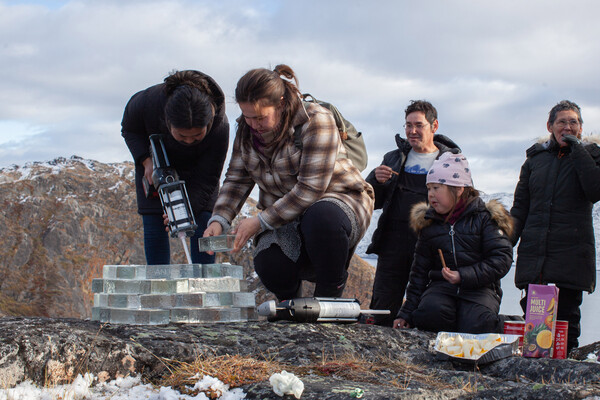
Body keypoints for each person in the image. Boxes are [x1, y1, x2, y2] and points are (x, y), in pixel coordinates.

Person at [204, 64, 374, 300]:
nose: (253, 125)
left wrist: (261, 221)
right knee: (269, 262)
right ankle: (293, 307)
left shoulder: (316, 120)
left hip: (338, 202)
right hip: (285, 214)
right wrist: (220, 219)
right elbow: (236, 179)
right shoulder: (245, 130)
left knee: (321, 218)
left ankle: (329, 300)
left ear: (281, 103)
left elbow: (310, 189)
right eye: (247, 116)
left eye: (260, 117)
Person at [510, 100, 600, 353]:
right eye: (562, 121)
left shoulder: (592, 156)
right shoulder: (534, 161)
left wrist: (577, 150)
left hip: (571, 258)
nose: (567, 127)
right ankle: (534, 376)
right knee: (535, 327)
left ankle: (566, 371)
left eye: (574, 122)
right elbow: (520, 208)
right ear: (550, 126)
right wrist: (504, 244)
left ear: (581, 128)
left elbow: (595, 190)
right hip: (535, 257)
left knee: (567, 324)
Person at [394, 152, 513, 333]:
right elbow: (419, 272)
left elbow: (501, 259)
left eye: (437, 188)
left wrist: (463, 276)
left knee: (477, 323)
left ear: (458, 189)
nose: (430, 195)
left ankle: (509, 324)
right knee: (428, 314)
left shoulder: (485, 219)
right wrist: (406, 313)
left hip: (480, 289)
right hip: (441, 288)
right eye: (429, 188)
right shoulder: (429, 224)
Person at [365, 100, 460, 326]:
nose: (412, 131)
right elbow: (372, 201)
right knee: (382, 308)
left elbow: (460, 205)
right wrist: (375, 180)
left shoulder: (450, 161)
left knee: (425, 307)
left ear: (434, 126)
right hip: (393, 241)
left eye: (419, 125)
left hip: (432, 244)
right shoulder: (393, 158)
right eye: (408, 125)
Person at [121, 70, 229, 265]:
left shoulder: (220, 127)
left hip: (199, 176)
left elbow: (208, 178)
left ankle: (203, 288)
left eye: (196, 136)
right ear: (168, 122)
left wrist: (181, 212)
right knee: (155, 228)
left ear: (209, 123)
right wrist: (146, 160)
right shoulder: (147, 102)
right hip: (157, 168)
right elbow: (129, 128)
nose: (188, 141)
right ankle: (158, 287)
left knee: (204, 228)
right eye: (182, 136)